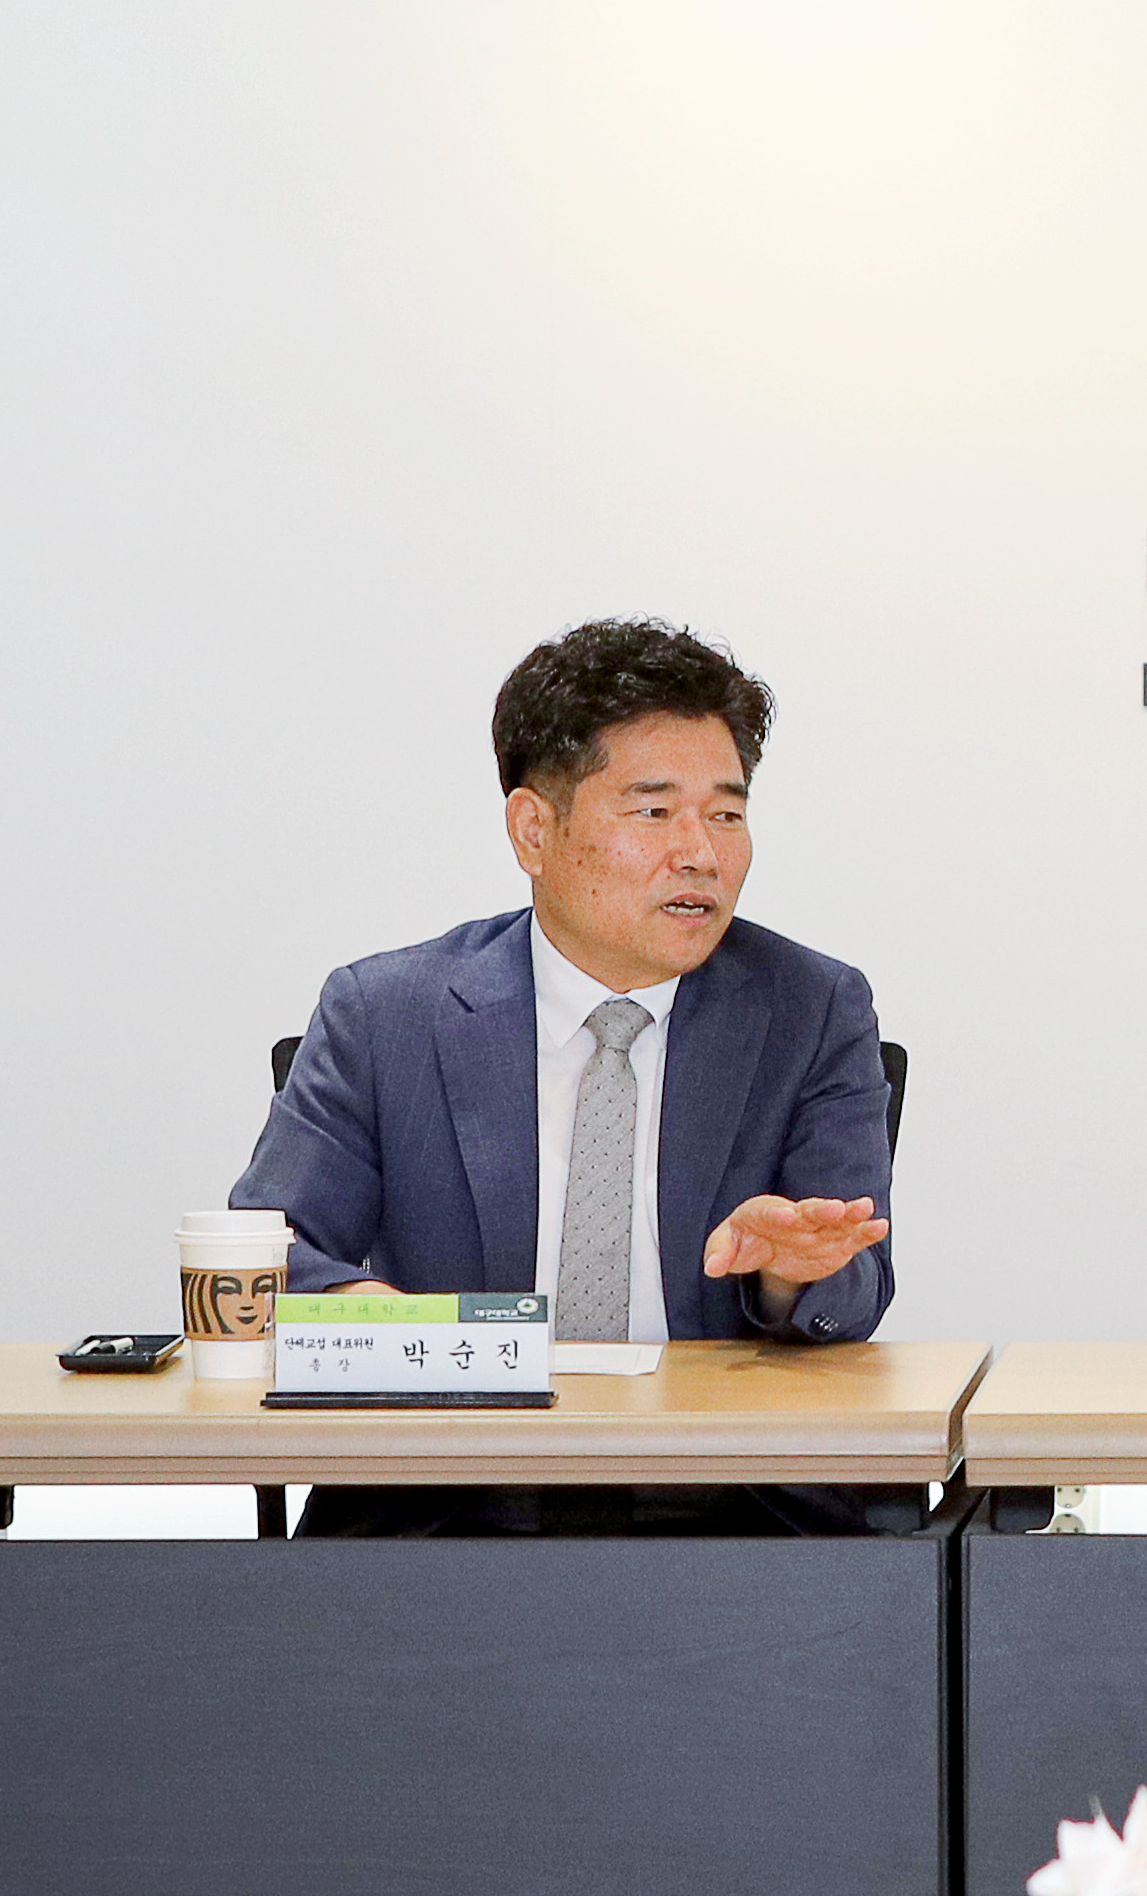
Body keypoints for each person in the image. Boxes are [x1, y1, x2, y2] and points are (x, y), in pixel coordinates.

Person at [231, 617, 896, 1533]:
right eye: (654, 812)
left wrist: (787, 1275)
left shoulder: (809, 1008)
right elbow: (262, 1260)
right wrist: (388, 1321)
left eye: (726, 814)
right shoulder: (387, 1014)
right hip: (442, 1502)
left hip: (734, 1507)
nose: (701, 853)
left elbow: (856, 1285)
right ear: (533, 829)